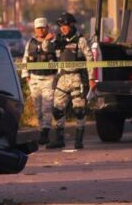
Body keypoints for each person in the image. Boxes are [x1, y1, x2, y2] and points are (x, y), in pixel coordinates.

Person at [47, 12, 95, 150]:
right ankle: (59, 139)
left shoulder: (80, 40)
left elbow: (90, 59)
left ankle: (79, 140)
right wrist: (46, 40)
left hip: (76, 78)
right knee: (57, 110)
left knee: (79, 110)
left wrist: (91, 78)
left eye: (65, 25)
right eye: (61, 26)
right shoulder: (58, 40)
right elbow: (46, 50)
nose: (63, 28)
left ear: (72, 25)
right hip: (62, 78)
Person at [22, 17, 56, 145]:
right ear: (35, 29)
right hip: (34, 79)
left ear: (47, 28)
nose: (41, 30)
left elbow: (59, 59)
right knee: (37, 108)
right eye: (38, 28)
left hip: (49, 79)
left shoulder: (54, 42)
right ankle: (41, 129)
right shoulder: (30, 43)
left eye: (43, 27)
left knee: (47, 107)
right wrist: (26, 77)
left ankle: (45, 133)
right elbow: (25, 60)